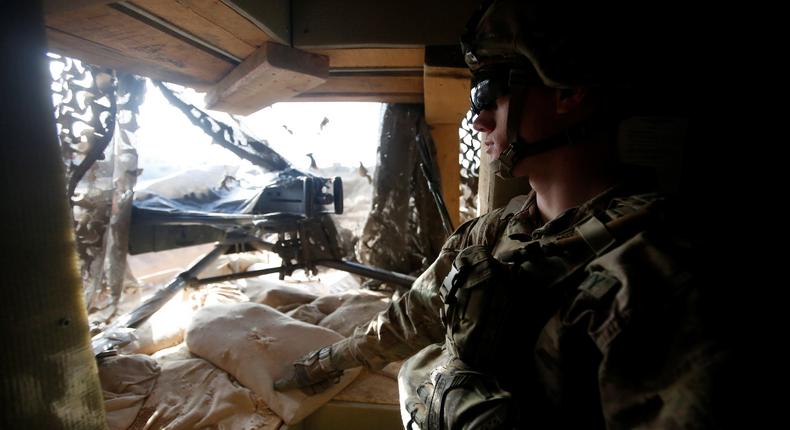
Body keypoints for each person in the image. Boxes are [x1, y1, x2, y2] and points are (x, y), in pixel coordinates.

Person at [275, 1, 727, 428]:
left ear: (567, 92)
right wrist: (323, 364)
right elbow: (412, 317)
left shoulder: (658, 277)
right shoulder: (493, 232)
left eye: (489, 93)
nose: (477, 120)